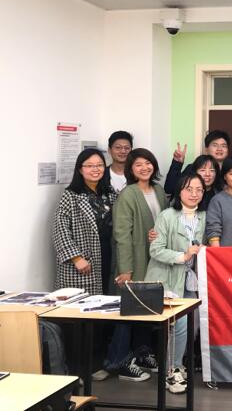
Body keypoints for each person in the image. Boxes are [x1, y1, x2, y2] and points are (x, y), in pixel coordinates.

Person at [111, 147, 168, 381]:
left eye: (148, 163)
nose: (144, 168)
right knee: (128, 312)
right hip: (135, 260)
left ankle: (142, 353)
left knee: (146, 309)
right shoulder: (128, 194)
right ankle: (119, 362)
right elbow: (122, 234)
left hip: (154, 259)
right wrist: (125, 269)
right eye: (138, 165)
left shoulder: (159, 190)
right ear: (131, 169)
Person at [146, 174, 206, 394]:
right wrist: (183, 255)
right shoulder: (167, 216)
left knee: (193, 325)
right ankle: (172, 371)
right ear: (179, 191)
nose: (194, 194)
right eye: (189, 189)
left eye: (199, 190)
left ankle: (176, 365)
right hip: (169, 279)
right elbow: (155, 249)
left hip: (191, 281)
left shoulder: (204, 216)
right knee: (179, 326)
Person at [53, 148, 117, 296]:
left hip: (107, 252)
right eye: (89, 166)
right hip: (83, 258)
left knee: (106, 298)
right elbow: (60, 229)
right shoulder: (71, 195)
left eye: (100, 165)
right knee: (81, 302)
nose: (96, 169)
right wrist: (76, 258)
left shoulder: (109, 192)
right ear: (80, 170)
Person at [164, 129, 230, 195]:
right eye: (215, 145)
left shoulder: (231, 171)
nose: (219, 149)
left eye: (223, 146)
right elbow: (169, 189)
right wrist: (177, 163)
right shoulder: (193, 168)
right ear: (206, 149)